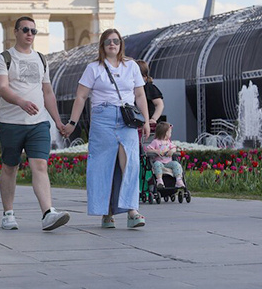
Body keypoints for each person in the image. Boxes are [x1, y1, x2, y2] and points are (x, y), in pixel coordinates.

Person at [63, 28, 151, 229]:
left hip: (127, 118)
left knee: (129, 163)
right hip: (103, 117)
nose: (112, 44)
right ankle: (106, 212)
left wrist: (145, 120)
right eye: (108, 41)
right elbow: (81, 97)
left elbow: (139, 95)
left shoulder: (131, 66)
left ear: (121, 44)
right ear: (102, 45)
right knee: (103, 166)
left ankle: (132, 211)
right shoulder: (94, 68)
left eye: (116, 41)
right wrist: (72, 123)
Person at [0, 16, 70, 231]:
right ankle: (8, 214)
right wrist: (21, 102)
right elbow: (2, 87)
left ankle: (47, 213)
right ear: (16, 32)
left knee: (40, 165)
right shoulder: (4, 58)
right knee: (10, 167)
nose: (30, 34)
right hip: (11, 122)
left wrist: (57, 121)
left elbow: (48, 92)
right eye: (25, 30)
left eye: (33, 31)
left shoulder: (41, 59)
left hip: (38, 123)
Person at [143, 122, 184, 189]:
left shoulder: (168, 142)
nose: (170, 134)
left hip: (168, 163)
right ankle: (159, 180)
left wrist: (172, 151)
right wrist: (156, 151)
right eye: (170, 132)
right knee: (157, 164)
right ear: (165, 133)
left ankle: (179, 180)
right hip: (160, 162)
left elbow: (174, 148)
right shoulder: (155, 142)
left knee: (176, 164)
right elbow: (148, 150)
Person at [136, 60, 164, 125]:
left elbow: (159, 104)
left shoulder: (149, 87)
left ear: (145, 77)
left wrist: (153, 119)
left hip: (148, 122)